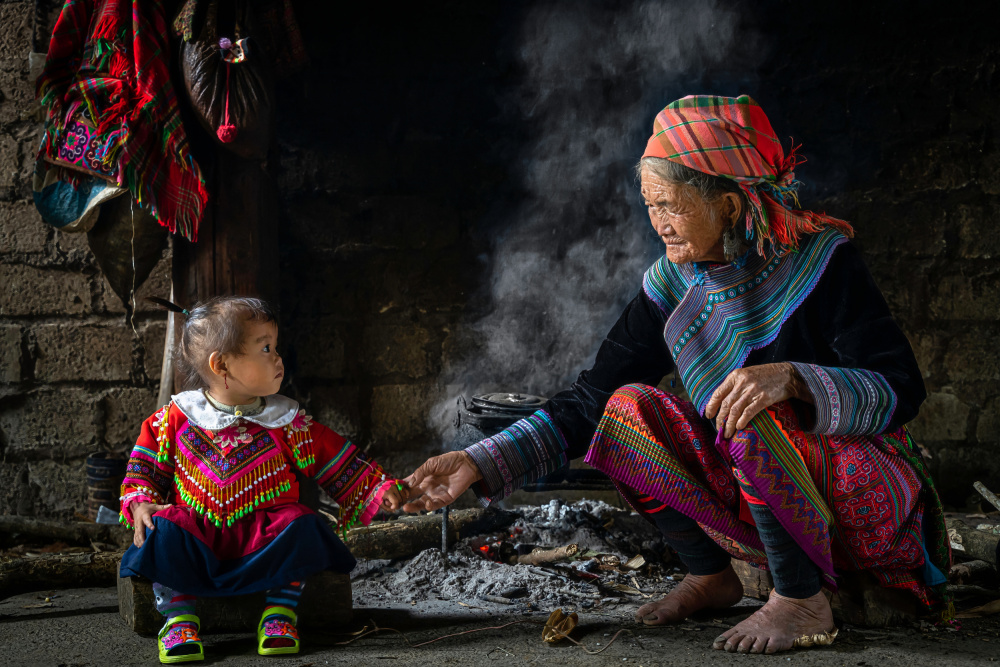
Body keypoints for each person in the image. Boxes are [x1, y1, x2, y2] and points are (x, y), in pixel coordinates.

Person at [403, 95, 951, 655]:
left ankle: (801, 601)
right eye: (650, 205)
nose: (657, 224)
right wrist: (476, 463)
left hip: (863, 497)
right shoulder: (671, 285)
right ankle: (711, 575)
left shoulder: (822, 261)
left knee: (747, 405)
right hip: (762, 490)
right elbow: (588, 402)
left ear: (731, 207)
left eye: (670, 205)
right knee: (624, 410)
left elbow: (902, 386)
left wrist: (791, 379)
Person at [119, 296, 408, 663]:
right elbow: (142, 472)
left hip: (264, 537)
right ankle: (179, 619)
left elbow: (335, 457)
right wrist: (140, 502)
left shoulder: (286, 421)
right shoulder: (174, 419)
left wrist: (376, 487)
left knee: (304, 522)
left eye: (275, 347)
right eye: (265, 348)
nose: (278, 358)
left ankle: (278, 614)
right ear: (221, 364)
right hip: (199, 535)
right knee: (162, 527)